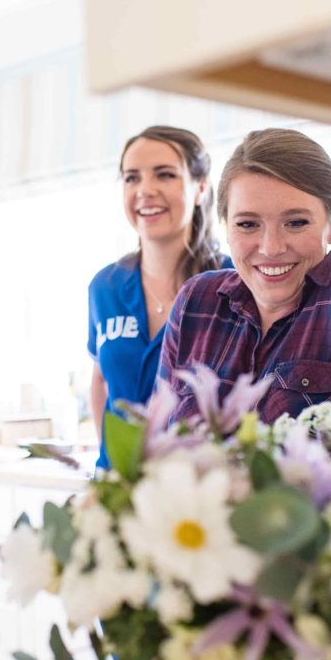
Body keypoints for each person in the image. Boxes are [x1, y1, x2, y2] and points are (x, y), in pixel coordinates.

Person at [159, 127, 331, 424]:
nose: (271, 248)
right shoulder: (195, 302)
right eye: (248, 224)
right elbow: (158, 444)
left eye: (296, 222)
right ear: (225, 225)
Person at [88, 125, 232, 468]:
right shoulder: (105, 286)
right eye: (131, 178)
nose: (145, 191)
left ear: (199, 187)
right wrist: (111, 462)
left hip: (197, 489)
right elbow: (100, 381)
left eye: (165, 175)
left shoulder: (231, 285)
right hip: (119, 487)